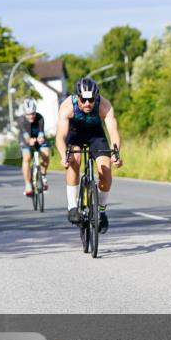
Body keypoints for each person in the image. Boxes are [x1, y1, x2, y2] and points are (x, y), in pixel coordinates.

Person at [55, 78, 122, 233]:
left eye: (91, 100)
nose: (87, 104)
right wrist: (63, 156)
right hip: (75, 133)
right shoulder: (67, 107)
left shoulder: (104, 105)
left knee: (105, 168)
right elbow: (60, 136)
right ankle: (72, 207)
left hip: (95, 135)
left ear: (96, 97)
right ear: (77, 97)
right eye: (83, 100)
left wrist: (116, 154)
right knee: (74, 159)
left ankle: (101, 210)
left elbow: (113, 132)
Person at [18, 98, 51, 196]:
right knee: (27, 157)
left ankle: (43, 177)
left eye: (33, 113)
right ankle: (28, 184)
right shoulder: (21, 120)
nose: (31, 116)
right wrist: (29, 141)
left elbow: (41, 131)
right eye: (28, 114)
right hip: (25, 138)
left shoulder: (40, 117)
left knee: (45, 153)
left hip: (37, 137)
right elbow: (25, 135)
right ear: (24, 114)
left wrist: (40, 138)